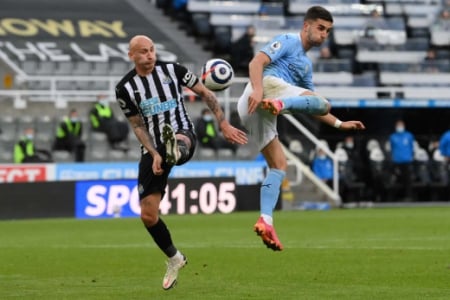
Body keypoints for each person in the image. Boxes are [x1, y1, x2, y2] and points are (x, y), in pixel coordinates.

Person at [115, 35, 247, 290]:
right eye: (143, 52)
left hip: (182, 132)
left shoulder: (173, 70)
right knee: (148, 215)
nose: (150, 55)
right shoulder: (125, 88)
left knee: (177, 142)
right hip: (152, 149)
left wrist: (223, 123)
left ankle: (175, 150)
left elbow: (206, 93)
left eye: (152, 50)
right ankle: (175, 258)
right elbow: (137, 125)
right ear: (132, 55)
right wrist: (153, 153)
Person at [237, 6, 365, 251]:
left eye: (328, 31)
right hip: (263, 91)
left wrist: (339, 124)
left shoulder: (306, 66)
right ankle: (280, 104)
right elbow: (257, 62)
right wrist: (258, 89)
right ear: (306, 26)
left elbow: (313, 105)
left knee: (279, 165)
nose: (324, 34)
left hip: (253, 110)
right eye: (320, 28)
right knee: (324, 102)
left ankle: (266, 220)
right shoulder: (288, 40)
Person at [388, 120, 415, 201]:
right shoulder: (392, 137)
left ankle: (408, 197)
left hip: (407, 160)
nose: (400, 127)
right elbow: (391, 148)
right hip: (396, 161)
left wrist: (411, 157)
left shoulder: (409, 135)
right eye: (398, 125)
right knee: (395, 180)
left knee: (407, 180)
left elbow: (412, 147)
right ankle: (395, 197)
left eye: (401, 125)